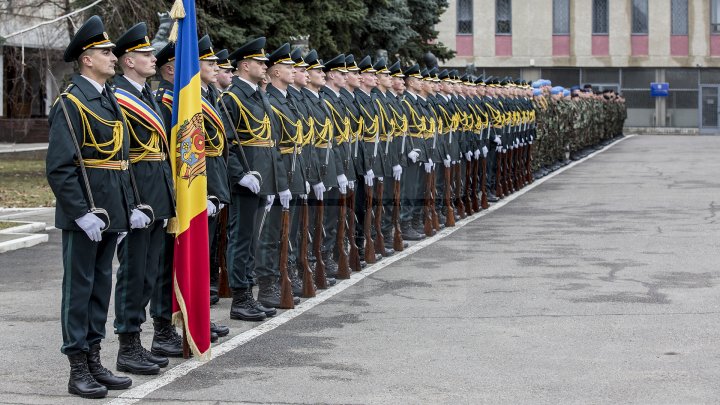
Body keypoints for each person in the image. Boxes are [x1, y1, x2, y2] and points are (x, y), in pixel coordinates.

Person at [46, 15, 134, 398]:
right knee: (79, 289)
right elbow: (61, 167)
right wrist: (80, 212)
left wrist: (129, 206)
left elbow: (121, 160)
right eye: (104, 51)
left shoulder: (107, 96)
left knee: (101, 286)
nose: (112, 57)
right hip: (86, 214)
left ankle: (95, 358)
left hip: (109, 210)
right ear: (86, 58)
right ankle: (77, 365)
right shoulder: (72, 103)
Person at [111, 22, 175, 375]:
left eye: (152, 53)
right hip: (137, 200)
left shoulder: (146, 94)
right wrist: (131, 202)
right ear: (129, 61)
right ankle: (127, 345)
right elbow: (121, 157)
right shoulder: (119, 96)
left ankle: (141, 340)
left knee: (149, 274)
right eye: (146, 54)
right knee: (133, 275)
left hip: (156, 197)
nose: (153, 58)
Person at [221, 37, 287, 321]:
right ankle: (241, 297)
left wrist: (275, 183)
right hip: (245, 180)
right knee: (241, 238)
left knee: (251, 240)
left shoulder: (259, 95)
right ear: (245, 65)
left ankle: (248, 291)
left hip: (262, 179)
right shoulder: (232, 98)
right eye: (260, 62)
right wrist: (240, 174)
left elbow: (271, 142)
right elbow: (225, 143)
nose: (265, 66)